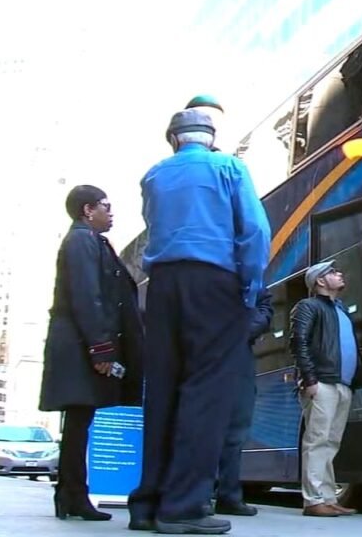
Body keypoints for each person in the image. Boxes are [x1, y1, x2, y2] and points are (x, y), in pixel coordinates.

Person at [127, 109, 270, 535]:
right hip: (215, 284)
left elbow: (152, 227)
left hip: (164, 285)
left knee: (163, 392)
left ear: (173, 139)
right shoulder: (229, 167)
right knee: (206, 395)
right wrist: (250, 285)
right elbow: (256, 232)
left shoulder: (153, 176)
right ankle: (184, 507)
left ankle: (146, 505)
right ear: (210, 138)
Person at [39, 184, 144, 522]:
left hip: (79, 345)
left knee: (79, 423)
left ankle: (70, 494)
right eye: (105, 206)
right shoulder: (82, 241)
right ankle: (73, 495)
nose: (110, 212)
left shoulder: (87, 240)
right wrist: (101, 350)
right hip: (80, 348)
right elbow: (88, 296)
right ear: (88, 210)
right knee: (79, 422)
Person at [289, 260, 361, 517]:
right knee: (317, 441)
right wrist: (310, 380)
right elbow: (299, 342)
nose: (339, 274)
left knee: (331, 442)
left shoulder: (340, 310)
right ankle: (314, 500)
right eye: (332, 272)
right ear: (320, 281)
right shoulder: (308, 307)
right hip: (322, 383)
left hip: (342, 384)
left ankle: (328, 498)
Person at [212, 288, 273, 516]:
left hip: (239, 359)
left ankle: (228, 495)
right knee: (203, 427)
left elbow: (265, 308)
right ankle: (198, 494)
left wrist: (237, 331)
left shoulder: (252, 279)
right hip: (207, 354)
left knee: (237, 429)